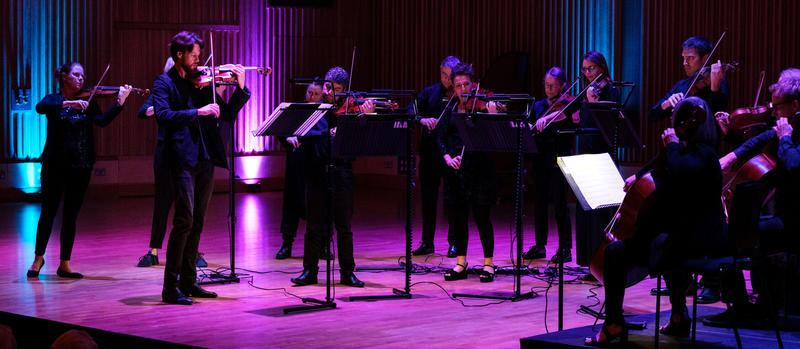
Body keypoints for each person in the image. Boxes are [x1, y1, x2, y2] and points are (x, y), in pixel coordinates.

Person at [586, 97, 726, 345]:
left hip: (690, 246)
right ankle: (679, 315)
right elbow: (663, 168)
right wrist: (647, 169)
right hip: (707, 242)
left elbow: (680, 169)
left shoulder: (691, 158)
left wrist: (671, 146)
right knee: (665, 241)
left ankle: (613, 323)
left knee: (616, 252)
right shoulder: (707, 155)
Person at [153, 31, 250, 304]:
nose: (199, 62)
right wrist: (199, 111)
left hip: (205, 160)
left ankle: (189, 282)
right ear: (179, 55)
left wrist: (240, 89)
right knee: (184, 221)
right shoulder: (164, 83)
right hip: (182, 160)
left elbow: (227, 115)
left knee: (197, 222)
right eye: (194, 56)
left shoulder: (202, 85)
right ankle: (170, 288)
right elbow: (163, 116)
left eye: (199, 56)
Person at [708, 78, 800, 327]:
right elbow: (762, 140)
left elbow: (794, 165)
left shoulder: (790, 134)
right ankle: (758, 304)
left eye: (778, 106)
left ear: (795, 104)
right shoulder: (788, 129)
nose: (773, 112)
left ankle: (742, 308)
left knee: (731, 237)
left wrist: (786, 139)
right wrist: (731, 155)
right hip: (784, 217)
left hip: (794, 222)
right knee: (739, 230)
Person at [26, 62, 131, 279]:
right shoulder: (54, 100)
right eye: (76, 75)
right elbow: (40, 107)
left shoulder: (88, 101)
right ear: (64, 77)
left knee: (71, 215)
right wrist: (69, 104)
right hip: (54, 165)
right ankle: (38, 258)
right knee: (47, 213)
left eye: (83, 75)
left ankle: (65, 263)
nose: (81, 79)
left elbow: (101, 122)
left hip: (81, 165)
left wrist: (119, 103)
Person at [290, 67, 371, 288]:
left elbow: (362, 135)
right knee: (314, 224)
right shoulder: (317, 109)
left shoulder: (351, 109)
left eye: (335, 89)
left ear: (345, 91)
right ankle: (310, 271)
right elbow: (302, 132)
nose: (329, 92)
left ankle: (347, 272)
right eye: (327, 87)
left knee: (344, 226)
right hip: (316, 170)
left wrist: (364, 116)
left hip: (342, 171)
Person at [135, 58, 208, 268]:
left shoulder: (190, 90)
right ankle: (154, 250)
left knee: (188, 205)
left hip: (187, 153)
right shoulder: (163, 89)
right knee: (163, 202)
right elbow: (142, 112)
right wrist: (156, 109)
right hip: (166, 154)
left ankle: (191, 250)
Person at [438, 63, 503, 282]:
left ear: (474, 85)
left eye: (467, 84)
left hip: (480, 170)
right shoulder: (449, 110)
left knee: (482, 217)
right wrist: (448, 157)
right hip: (456, 172)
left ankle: (488, 263)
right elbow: (440, 138)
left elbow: (495, 135)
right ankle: (460, 262)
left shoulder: (481, 107)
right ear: (453, 88)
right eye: (459, 85)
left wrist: (493, 115)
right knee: (458, 219)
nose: (463, 89)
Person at [522, 67, 578, 261]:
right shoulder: (537, 106)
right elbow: (527, 125)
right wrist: (529, 126)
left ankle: (565, 248)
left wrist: (547, 119)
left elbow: (568, 117)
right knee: (539, 204)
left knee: (560, 204)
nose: (548, 89)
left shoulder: (569, 105)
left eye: (553, 86)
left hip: (559, 160)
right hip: (540, 159)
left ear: (563, 86)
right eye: (546, 85)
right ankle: (540, 245)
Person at [409, 56, 460, 257]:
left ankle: (454, 242)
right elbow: (410, 111)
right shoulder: (429, 93)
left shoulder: (459, 96)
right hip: (430, 154)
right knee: (428, 200)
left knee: (451, 200)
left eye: (451, 76)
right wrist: (422, 119)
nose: (447, 80)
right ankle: (427, 242)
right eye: (444, 75)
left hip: (450, 153)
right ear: (440, 72)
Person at [275, 81, 324, 259]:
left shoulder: (325, 112)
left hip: (317, 163)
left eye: (316, 93)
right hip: (297, 162)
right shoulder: (296, 110)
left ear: (322, 95)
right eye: (309, 92)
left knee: (319, 205)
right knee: (292, 202)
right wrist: (288, 137)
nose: (311, 96)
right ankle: (286, 244)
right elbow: (281, 130)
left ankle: (323, 246)